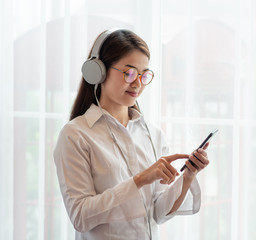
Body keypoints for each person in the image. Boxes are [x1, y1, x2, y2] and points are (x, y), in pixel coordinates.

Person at [53, 28, 210, 240]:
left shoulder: (152, 134)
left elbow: (157, 213)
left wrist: (188, 175)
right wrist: (140, 180)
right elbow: (80, 216)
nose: (137, 83)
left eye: (144, 75)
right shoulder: (75, 135)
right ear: (98, 71)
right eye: (129, 73)